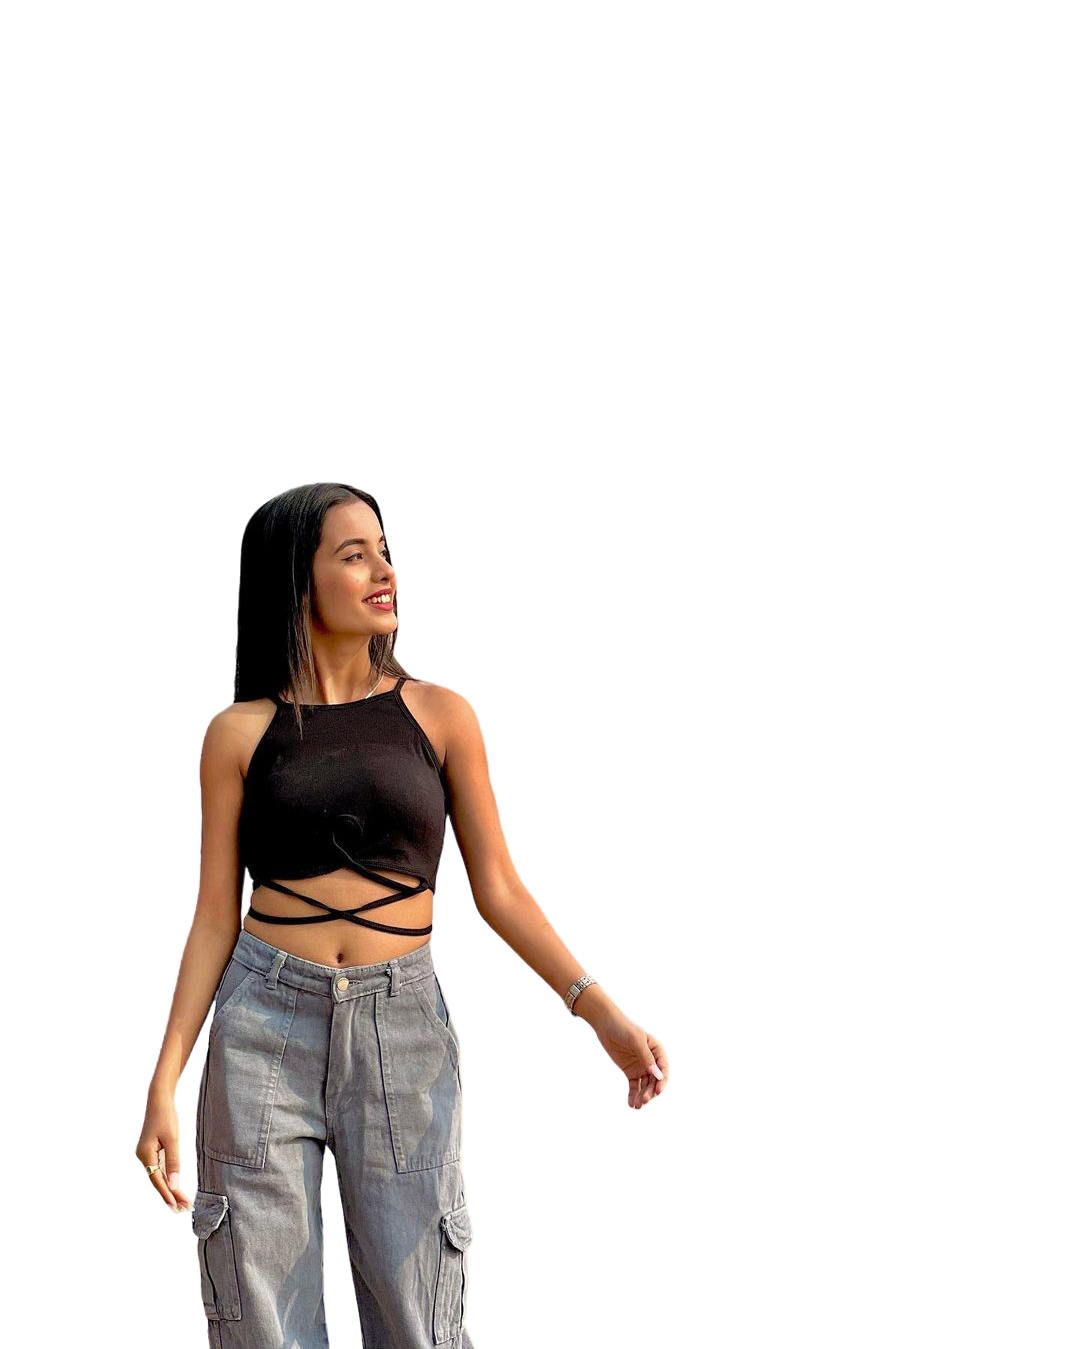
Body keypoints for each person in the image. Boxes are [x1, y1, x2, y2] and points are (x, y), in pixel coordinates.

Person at [136, 481, 670, 1347]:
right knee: (260, 1319)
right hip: (263, 1022)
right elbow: (211, 917)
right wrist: (164, 1086)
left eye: (384, 552)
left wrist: (600, 1009)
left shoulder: (441, 712)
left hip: (401, 1022)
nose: (384, 571)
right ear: (297, 579)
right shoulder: (237, 731)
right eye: (354, 556)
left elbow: (499, 885)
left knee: (420, 1312)